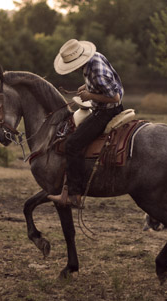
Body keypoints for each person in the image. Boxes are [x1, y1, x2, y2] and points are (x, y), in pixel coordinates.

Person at [47, 39, 124, 207]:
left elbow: (115, 96)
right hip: (103, 107)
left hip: (107, 110)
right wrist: (87, 87)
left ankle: (74, 195)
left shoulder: (97, 71)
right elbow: (105, 82)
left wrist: (90, 96)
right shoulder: (94, 58)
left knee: (72, 144)